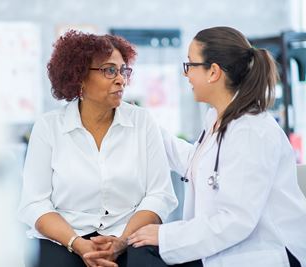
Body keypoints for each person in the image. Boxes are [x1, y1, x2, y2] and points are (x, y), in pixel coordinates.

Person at [86, 26, 306, 267]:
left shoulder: (252, 132)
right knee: (140, 249)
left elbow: (236, 220)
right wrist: (139, 122)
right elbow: (196, 163)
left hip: (263, 252)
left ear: (213, 72)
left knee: (142, 250)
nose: (186, 74)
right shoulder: (217, 117)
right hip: (224, 245)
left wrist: (166, 235)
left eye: (190, 65)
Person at [17, 30, 177, 267]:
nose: (121, 79)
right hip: (65, 237)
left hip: (129, 235)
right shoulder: (48, 127)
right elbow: (35, 203)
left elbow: (159, 194)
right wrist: (77, 243)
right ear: (79, 77)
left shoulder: (143, 122)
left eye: (124, 70)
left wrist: (121, 240)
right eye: (109, 70)